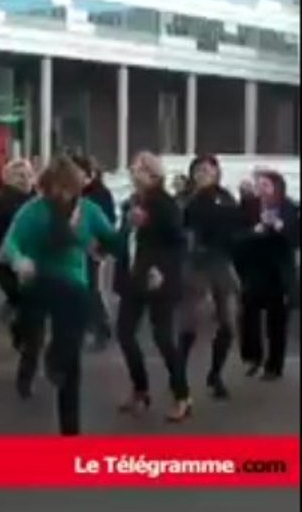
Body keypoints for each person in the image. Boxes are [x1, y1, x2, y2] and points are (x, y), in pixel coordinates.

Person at [0, 155, 120, 436]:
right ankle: (30, 345)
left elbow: (112, 240)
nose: (62, 194)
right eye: (56, 187)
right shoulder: (34, 210)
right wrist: (19, 261)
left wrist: (124, 233)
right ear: (46, 186)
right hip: (38, 279)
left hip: (72, 283)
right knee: (34, 320)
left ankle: (70, 429)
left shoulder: (88, 211)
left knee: (71, 356)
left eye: (67, 188)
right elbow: (10, 242)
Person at [113, 152, 191, 422]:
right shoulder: (133, 202)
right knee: (124, 333)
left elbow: (178, 243)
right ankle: (140, 389)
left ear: (153, 174)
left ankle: (182, 394)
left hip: (159, 279)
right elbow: (127, 237)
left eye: (139, 169)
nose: (133, 173)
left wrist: (161, 269)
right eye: (132, 169)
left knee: (163, 338)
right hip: (134, 278)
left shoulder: (165, 204)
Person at [180, 154, 241, 400]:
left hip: (220, 261)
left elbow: (236, 227)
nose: (204, 173)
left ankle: (215, 374)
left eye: (208, 169)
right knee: (190, 322)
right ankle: (179, 373)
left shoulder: (225, 198)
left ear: (217, 173)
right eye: (199, 170)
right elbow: (180, 231)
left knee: (228, 320)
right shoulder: (187, 200)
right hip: (195, 264)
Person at [238, 170, 298, 381]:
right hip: (255, 270)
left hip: (279, 272)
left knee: (277, 321)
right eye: (259, 185)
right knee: (248, 314)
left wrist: (280, 227)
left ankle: (274, 366)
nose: (262, 190)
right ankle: (253, 357)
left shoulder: (288, 207)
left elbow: (295, 237)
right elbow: (238, 236)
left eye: (266, 185)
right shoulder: (250, 207)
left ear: (276, 187)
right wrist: (255, 230)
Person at [0, 159, 36, 352]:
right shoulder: (1, 200)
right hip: (6, 259)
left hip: (32, 258)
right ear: (8, 179)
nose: (25, 180)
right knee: (19, 296)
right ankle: (20, 330)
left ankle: (24, 333)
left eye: (28, 175)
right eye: (19, 176)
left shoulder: (38, 199)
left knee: (30, 300)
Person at [71, 154, 116, 351]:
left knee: (90, 289)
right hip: (72, 249)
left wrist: (100, 246)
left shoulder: (98, 193)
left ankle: (100, 327)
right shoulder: (72, 193)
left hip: (91, 249)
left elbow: (108, 221)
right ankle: (89, 326)